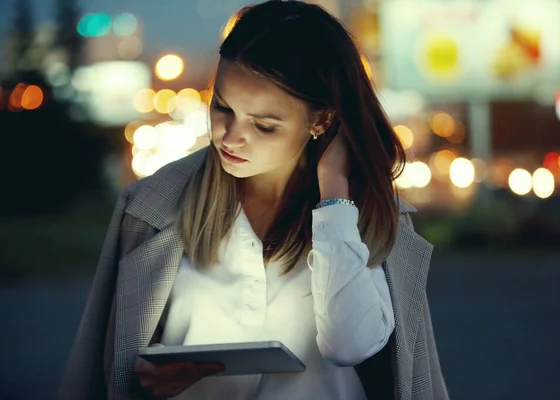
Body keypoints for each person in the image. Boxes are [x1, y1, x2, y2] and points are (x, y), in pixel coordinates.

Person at [59, 1, 449, 399]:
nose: (230, 136)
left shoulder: (368, 210)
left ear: (321, 120)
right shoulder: (151, 207)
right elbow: (110, 368)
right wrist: (149, 375)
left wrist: (334, 193)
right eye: (222, 107)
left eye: (264, 125)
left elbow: (349, 345)